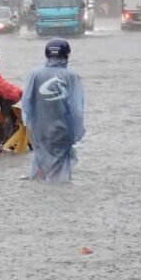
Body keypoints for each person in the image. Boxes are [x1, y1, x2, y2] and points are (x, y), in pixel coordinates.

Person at [22, 39, 86, 182]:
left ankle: (39, 192)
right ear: (66, 55)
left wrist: (30, 126)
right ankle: (57, 196)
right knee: (59, 167)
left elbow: (27, 103)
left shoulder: (35, 74)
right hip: (61, 129)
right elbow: (76, 108)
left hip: (38, 130)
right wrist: (76, 132)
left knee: (40, 160)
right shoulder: (71, 76)